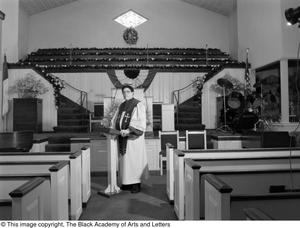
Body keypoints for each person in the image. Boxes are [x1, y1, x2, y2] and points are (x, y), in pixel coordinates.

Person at [111, 84, 149, 193]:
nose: (125, 94)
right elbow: (115, 120)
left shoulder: (138, 105)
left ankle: (136, 184)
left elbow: (139, 121)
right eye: (124, 92)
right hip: (122, 137)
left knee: (134, 161)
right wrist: (112, 128)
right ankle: (126, 182)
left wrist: (128, 131)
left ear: (132, 93)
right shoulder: (121, 105)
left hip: (133, 139)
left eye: (128, 91)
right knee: (125, 161)